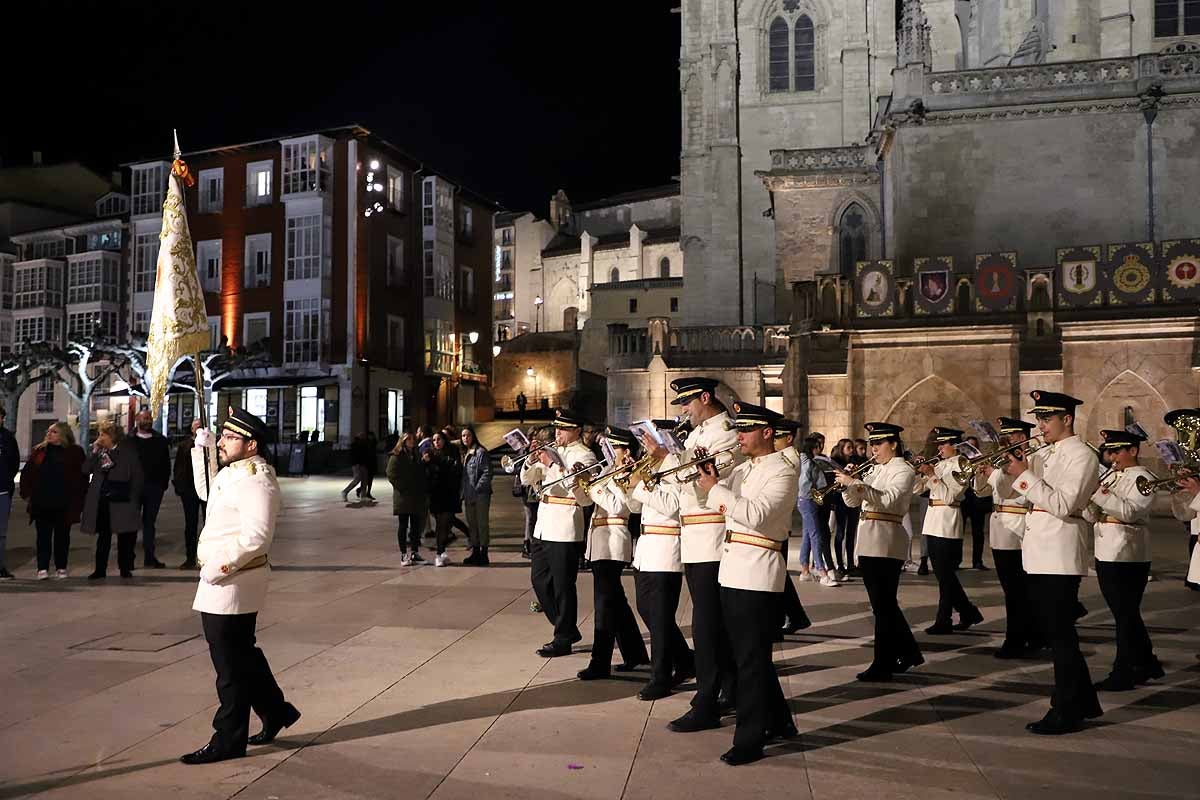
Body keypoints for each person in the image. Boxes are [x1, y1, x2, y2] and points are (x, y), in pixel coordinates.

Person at [179, 409, 300, 765]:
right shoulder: (234, 473)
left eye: (229, 438)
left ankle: (228, 739)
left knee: (229, 666)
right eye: (221, 436)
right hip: (221, 578)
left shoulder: (256, 481)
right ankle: (276, 711)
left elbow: (258, 537)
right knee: (242, 654)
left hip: (233, 579)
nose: (221, 441)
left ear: (252, 445)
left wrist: (218, 567)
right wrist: (198, 452)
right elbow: (206, 491)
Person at [694, 402, 799, 766]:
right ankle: (780, 720)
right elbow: (711, 504)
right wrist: (705, 478)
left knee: (752, 662)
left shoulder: (782, 472)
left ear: (767, 433)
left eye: (747, 429)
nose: (739, 436)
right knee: (746, 656)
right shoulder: (743, 469)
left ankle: (750, 739)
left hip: (758, 571)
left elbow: (754, 515)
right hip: (732, 569)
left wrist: (717, 491)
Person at [635, 377, 740, 732]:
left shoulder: (723, 432)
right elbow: (681, 485)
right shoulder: (697, 435)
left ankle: (707, 701)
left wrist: (665, 458)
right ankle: (729, 688)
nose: (682, 410)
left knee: (707, 627)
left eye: (686, 403)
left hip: (710, 536)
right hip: (695, 538)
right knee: (711, 624)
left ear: (705, 398)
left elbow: (697, 482)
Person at [1002, 390, 1102, 735]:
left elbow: (1063, 504)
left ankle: (1065, 709)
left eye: (1046, 419)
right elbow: (1021, 493)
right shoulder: (1045, 453)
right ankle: (1085, 701)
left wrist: (1025, 475)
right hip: (1039, 550)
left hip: (1059, 552)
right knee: (1056, 631)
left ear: (1067, 419)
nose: (1040, 425)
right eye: (1039, 419)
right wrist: (1014, 472)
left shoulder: (1083, 457)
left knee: (1060, 636)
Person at [613, 418, 694, 700]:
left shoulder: (676, 467)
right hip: (646, 549)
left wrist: (642, 484)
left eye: (648, 441)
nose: (644, 447)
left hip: (666, 548)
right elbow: (635, 506)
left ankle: (660, 677)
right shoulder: (652, 466)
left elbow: (672, 505)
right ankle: (686, 660)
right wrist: (627, 483)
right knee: (647, 611)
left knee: (659, 617)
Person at [838, 422, 924, 682]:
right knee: (882, 605)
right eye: (872, 444)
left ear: (894, 444)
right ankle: (908, 653)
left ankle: (883, 662)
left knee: (883, 606)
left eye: (879, 444)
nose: (873, 449)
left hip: (886, 541)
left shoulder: (903, 470)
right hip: (868, 539)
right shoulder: (875, 469)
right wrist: (849, 485)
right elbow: (852, 502)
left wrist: (858, 483)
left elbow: (888, 500)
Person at [1085, 429, 1162, 691]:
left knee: (1125, 614)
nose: (1112, 457)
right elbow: (1091, 514)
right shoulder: (1112, 475)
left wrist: (1099, 493)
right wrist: (1088, 498)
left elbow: (1129, 512)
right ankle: (1146, 662)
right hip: (1105, 548)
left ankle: (1124, 671)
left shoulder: (1144, 478)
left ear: (1133, 450)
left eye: (1118, 451)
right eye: (1110, 451)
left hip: (1128, 552)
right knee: (1124, 613)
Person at [521, 409, 598, 657]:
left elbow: (576, 487)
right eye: (557, 428)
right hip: (543, 523)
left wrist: (553, 464)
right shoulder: (555, 452)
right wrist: (531, 461)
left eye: (563, 429)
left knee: (564, 585)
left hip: (564, 526)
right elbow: (526, 479)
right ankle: (566, 627)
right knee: (539, 579)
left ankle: (563, 637)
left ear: (576, 430)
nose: (558, 433)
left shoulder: (585, 455)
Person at [577, 427, 649, 680]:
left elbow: (619, 506)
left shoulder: (626, 472)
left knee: (605, 604)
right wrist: (581, 484)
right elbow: (587, 502)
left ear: (625, 450)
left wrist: (594, 488)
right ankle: (635, 654)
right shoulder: (609, 469)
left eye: (613, 447)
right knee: (615, 602)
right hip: (598, 540)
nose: (608, 451)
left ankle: (600, 661)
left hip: (614, 541)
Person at [977, 417, 1043, 658]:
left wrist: (996, 473)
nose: (1007, 440)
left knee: (1016, 589)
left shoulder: (1032, 459)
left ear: (1024, 437)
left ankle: (1017, 638)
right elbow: (982, 491)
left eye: (1012, 436)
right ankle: (1033, 633)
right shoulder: (1005, 460)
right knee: (1012, 587)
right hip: (999, 527)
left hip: (1017, 526)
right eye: (1005, 436)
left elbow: (1015, 489)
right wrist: (982, 473)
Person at [917, 427, 984, 634]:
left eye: (943, 444)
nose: (939, 448)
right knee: (943, 575)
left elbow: (948, 497)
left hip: (948, 521)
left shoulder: (962, 465)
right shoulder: (940, 464)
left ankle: (944, 619)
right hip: (933, 522)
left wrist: (931, 475)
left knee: (946, 576)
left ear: (954, 445)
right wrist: (918, 472)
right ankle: (967, 612)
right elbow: (916, 490)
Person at [19, 422, 85, 579]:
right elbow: (27, 474)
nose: (49, 434)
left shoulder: (74, 452)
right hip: (42, 502)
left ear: (63, 434)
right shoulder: (39, 451)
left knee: (62, 537)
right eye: (48, 431)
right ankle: (42, 568)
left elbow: (81, 477)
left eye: (54, 432)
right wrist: (28, 494)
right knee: (43, 537)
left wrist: (80, 498)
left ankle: (61, 567)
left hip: (65, 502)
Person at [82, 421, 145, 580]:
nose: (100, 438)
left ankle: (125, 568)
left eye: (103, 434)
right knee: (103, 536)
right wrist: (94, 452)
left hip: (122, 498)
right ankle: (99, 569)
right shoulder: (98, 452)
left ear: (112, 437)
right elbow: (85, 469)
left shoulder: (127, 452)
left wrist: (134, 498)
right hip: (102, 500)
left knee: (125, 536)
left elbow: (136, 476)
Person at [773, 419, 811, 637]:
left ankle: (788, 618)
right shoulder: (782, 456)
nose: (774, 442)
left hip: (779, 523)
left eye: (778, 438)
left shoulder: (790, 458)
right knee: (778, 575)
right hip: (778, 524)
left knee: (777, 576)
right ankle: (794, 616)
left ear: (788, 438)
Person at [130, 408, 170, 568]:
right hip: (133, 488)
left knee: (149, 523)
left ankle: (149, 557)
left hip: (154, 487)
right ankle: (128, 559)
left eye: (149, 418)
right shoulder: (129, 440)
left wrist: (163, 484)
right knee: (131, 523)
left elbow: (166, 464)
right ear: (137, 420)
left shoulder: (160, 440)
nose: (147, 421)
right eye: (144, 418)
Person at [797, 436, 839, 586]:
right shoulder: (807, 462)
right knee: (816, 535)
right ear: (812, 448)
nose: (819, 449)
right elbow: (804, 484)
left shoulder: (806, 461)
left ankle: (805, 571)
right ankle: (822, 572)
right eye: (817, 446)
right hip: (808, 500)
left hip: (807, 501)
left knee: (808, 535)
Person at [387, 432, 429, 566]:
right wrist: (403, 487)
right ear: (403, 441)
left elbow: (418, 471)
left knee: (416, 526)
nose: (411, 441)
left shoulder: (416, 454)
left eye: (413, 439)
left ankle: (414, 552)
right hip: (403, 496)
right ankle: (403, 554)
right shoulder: (397, 455)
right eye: (408, 439)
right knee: (403, 525)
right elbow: (391, 473)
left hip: (416, 496)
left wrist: (423, 463)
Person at [174, 422, 208, 570]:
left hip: (207, 489)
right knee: (191, 525)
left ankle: (208, 557)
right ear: (192, 430)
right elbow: (179, 467)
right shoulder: (185, 445)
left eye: (201, 425)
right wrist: (179, 486)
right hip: (189, 490)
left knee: (210, 523)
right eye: (196, 426)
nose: (199, 428)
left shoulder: (211, 443)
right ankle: (190, 558)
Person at [428, 431, 463, 567]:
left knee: (446, 524)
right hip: (436, 495)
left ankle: (441, 552)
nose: (437, 442)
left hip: (449, 494)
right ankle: (439, 553)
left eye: (439, 439)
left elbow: (456, 471)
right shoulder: (430, 455)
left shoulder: (452, 453)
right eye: (434, 440)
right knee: (440, 525)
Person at [460, 426, 493, 566]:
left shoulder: (480, 452)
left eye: (467, 435)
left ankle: (483, 553)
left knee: (481, 524)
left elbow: (487, 472)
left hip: (480, 495)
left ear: (473, 436)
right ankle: (475, 551)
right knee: (472, 525)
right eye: (463, 436)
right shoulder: (465, 453)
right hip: (468, 495)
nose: (465, 438)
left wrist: (478, 487)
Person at [830, 438, 862, 575]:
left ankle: (850, 563)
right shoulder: (835, 463)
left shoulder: (855, 461)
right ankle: (839, 564)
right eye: (848, 448)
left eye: (852, 448)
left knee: (851, 533)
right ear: (841, 448)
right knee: (840, 533)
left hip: (853, 501)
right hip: (840, 501)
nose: (851, 450)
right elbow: (834, 482)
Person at [962, 435, 993, 570]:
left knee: (978, 533)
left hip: (977, 501)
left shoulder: (982, 461)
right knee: (959, 532)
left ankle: (977, 561)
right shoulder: (960, 461)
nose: (971, 449)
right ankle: (956, 560)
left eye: (974, 446)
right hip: (963, 500)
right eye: (969, 446)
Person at [0, 407, 20, 580]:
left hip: (2, 491)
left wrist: (6, 481)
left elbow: (14, 463)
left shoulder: (7, 438)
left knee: (1, 532)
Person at [341, 432, 373, 504]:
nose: (363, 436)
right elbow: (353, 456)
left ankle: (363, 496)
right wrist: (356, 464)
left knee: (365, 480)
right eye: (362, 435)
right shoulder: (355, 444)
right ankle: (345, 491)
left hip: (364, 464)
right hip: (357, 464)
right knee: (357, 479)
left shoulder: (364, 444)